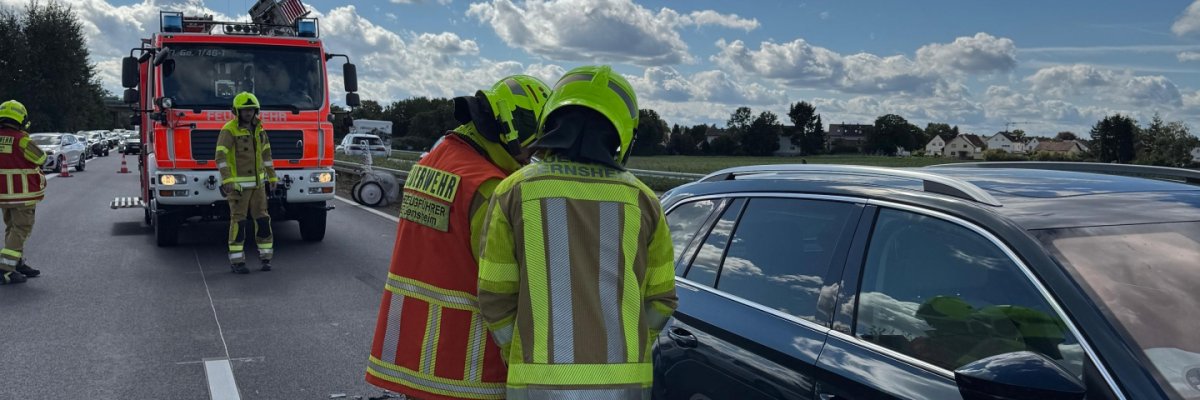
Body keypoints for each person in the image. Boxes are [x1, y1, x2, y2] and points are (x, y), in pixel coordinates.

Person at [476, 65, 678, 399]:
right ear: (621, 133)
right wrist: (632, 343)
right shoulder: (644, 200)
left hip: (537, 386)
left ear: (552, 118)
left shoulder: (514, 190)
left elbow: (495, 294)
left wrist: (519, 350)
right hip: (624, 388)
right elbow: (662, 298)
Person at [366, 75, 552, 400]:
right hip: (468, 369)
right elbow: (515, 287)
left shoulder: (432, 162)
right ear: (511, 128)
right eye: (534, 144)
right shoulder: (490, 187)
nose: (534, 155)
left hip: (414, 357)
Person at [215, 92, 278, 274]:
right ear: (237, 111)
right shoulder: (229, 130)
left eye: (251, 109)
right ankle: (237, 261)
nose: (248, 113)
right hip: (238, 187)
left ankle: (266, 258)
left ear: (256, 110)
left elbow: (267, 155)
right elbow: (221, 156)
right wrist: (227, 179)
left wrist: (272, 177)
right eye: (244, 110)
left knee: (263, 219)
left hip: (258, 186)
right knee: (239, 222)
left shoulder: (260, 129)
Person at [0, 100, 46, 285]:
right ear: (20, 118)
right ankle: (6, 270)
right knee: (20, 230)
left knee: (12, 229)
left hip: (3, 195)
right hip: (22, 195)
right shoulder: (21, 140)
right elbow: (41, 157)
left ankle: (16, 263)